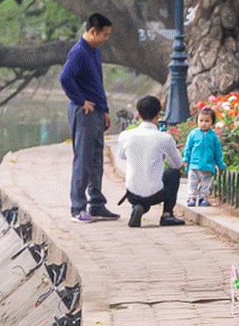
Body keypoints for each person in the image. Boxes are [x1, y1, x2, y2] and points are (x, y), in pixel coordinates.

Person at [60, 13, 120, 223]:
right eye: (104, 34)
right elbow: (65, 78)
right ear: (93, 31)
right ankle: (78, 207)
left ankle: (96, 203)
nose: (106, 38)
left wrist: (104, 110)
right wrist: (80, 100)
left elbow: (97, 83)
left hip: (96, 112)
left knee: (96, 159)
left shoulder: (93, 52)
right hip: (84, 113)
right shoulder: (79, 53)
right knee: (83, 160)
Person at [116, 95, 186, 228]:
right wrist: (165, 153)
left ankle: (138, 206)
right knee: (172, 173)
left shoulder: (126, 136)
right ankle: (167, 214)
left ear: (138, 114)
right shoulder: (164, 138)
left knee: (142, 188)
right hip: (156, 195)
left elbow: (122, 156)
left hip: (132, 194)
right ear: (158, 114)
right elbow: (177, 164)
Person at [183, 107, 226, 207]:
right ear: (197, 121)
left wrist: (220, 164)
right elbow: (188, 148)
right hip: (194, 165)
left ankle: (203, 198)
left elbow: (217, 152)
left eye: (207, 121)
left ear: (212, 122)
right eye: (201, 120)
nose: (203, 123)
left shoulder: (213, 136)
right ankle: (191, 198)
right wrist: (186, 159)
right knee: (192, 183)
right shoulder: (193, 134)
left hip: (208, 166)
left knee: (206, 184)